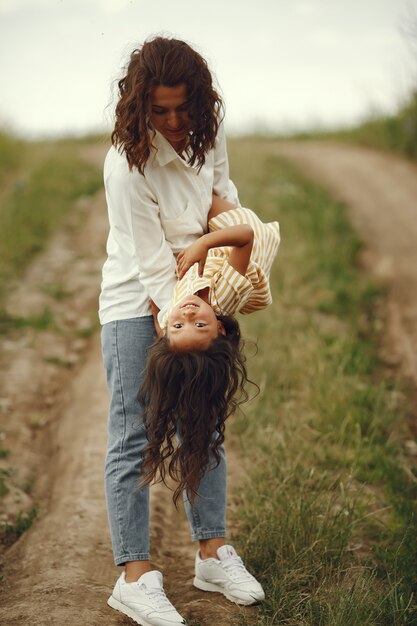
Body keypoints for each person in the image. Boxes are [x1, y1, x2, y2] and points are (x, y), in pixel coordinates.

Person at [100, 36, 265, 626]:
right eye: (159, 111)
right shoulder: (127, 166)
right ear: (139, 105)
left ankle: (212, 552)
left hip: (199, 285)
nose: (173, 122)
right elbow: (151, 269)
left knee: (205, 422)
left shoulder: (208, 132)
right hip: (137, 299)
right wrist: (188, 317)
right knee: (134, 434)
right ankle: (135, 576)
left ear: (200, 102)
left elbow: (226, 199)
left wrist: (239, 254)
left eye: (183, 109)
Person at [140, 194, 280, 508]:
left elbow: (156, 304)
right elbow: (244, 237)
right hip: (250, 241)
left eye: (179, 327)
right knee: (202, 196)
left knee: (182, 210)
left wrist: (164, 316)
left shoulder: (171, 319)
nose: (187, 316)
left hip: (212, 256)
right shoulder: (225, 296)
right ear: (220, 328)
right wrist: (204, 244)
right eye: (200, 326)